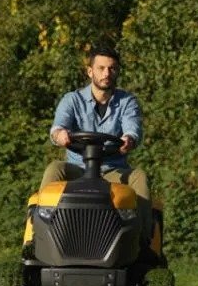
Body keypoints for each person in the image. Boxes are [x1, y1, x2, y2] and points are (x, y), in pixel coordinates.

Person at [41, 45, 152, 243]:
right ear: (90, 71)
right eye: (101, 68)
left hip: (112, 170)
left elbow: (132, 128)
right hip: (78, 168)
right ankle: (40, 236)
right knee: (54, 169)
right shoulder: (72, 100)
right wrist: (61, 135)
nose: (106, 73)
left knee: (139, 177)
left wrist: (129, 139)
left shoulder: (127, 102)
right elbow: (57, 128)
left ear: (117, 71)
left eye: (112, 68)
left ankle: (141, 241)